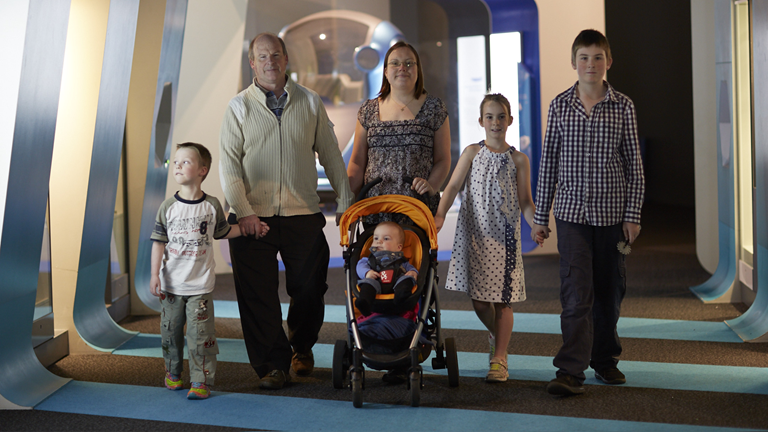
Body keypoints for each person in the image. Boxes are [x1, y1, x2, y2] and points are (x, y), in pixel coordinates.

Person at [219, 32, 354, 390]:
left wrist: (346, 201)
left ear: (286, 59)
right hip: (252, 217)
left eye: (275, 55)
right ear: (252, 63)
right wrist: (244, 212)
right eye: (262, 56)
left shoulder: (310, 103)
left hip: (302, 213)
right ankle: (271, 366)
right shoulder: (238, 107)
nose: (270, 62)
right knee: (257, 295)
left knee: (309, 287)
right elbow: (229, 167)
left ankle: (302, 346)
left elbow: (331, 155)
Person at [531, 29, 644, 396]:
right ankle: (570, 371)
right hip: (571, 216)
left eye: (598, 57)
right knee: (576, 292)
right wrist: (540, 217)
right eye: (584, 57)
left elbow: (634, 166)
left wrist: (633, 215)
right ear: (573, 62)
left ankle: (605, 360)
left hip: (613, 217)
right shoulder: (560, 105)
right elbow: (548, 164)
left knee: (610, 290)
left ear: (608, 62)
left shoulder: (623, 106)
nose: (591, 64)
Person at [435, 93, 542, 383]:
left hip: (504, 239)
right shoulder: (471, 152)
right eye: (490, 117)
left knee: (503, 301)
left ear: (510, 120)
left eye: (501, 116)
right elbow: (453, 185)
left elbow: (526, 202)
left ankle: (500, 358)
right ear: (481, 121)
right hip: (474, 236)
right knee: (480, 300)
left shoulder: (519, 159)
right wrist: (440, 215)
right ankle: (496, 332)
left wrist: (535, 225)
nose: (496, 122)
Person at [149, 143, 258, 400]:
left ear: (202, 170)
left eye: (185, 162)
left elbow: (222, 232)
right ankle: (173, 372)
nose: (177, 165)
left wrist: (246, 229)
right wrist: (154, 275)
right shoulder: (167, 207)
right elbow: (158, 243)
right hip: (171, 285)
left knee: (201, 337)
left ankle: (201, 380)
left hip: (200, 286)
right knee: (171, 332)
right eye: (175, 162)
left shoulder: (211, 206)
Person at [347, 41, 451, 224]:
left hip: (419, 209)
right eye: (395, 63)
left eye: (409, 63)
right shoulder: (368, 110)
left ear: (418, 71)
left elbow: (443, 160)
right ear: (386, 71)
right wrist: (347, 202)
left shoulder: (435, 108)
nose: (403, 67)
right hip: (375, 209)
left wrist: (432, 186)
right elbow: (356, 162)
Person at [355, 221, 419, 316]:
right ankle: (364, 302)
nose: (379, 241)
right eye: (376, 238)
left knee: (406, 278)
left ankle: (402, 296)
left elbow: (410, 268)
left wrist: (413, 273)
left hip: (396, 282)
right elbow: (360, 266)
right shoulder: (369, 259)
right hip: (376, 281)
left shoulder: (401, 260)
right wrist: (367, 272)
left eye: (386, 238)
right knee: (368, 283)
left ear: (398, 247)